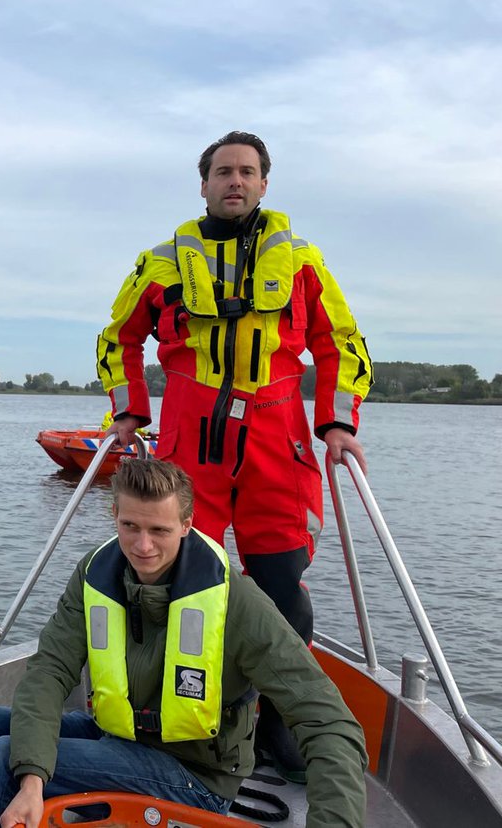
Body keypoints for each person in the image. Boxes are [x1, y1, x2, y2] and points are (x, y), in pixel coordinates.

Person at [95, 131, 373, 776]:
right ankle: (172, 719)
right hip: (190, 442)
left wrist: (335, 420)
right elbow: (117, 338)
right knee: (174, 578)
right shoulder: (161, 262)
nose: (235, 182)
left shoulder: (303, 261)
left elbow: (341, 341)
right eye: (223, 172)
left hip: (278, 438)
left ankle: (278, 722)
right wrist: (129, 410)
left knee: (282, 589)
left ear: (264, 183)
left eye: (247, 172)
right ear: (204, 184)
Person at [0, 459, 367, 828]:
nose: (142, 546)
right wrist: (34, 778)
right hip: (122, 737)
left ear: (186, 525)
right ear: (113, 515)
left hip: (195, 775)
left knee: (5, 756)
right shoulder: (95, 575)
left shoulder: (234, 602)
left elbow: (329, 721)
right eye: (130, 526)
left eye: (159, 530)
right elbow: (49, 671)